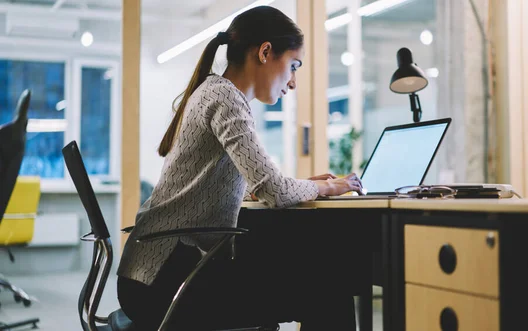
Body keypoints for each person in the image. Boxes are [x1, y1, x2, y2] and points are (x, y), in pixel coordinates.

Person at [116, 5, 368, 330]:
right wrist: (328, 186)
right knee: (330, 287)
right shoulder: (225, 98)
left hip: (154, 275)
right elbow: (273, 190)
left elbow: (237, 182)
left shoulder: (213, 91)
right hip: (165, 282)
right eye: (292, 66)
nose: (292, 82)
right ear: (265, 52)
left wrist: (302, 184)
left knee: (306, 274)